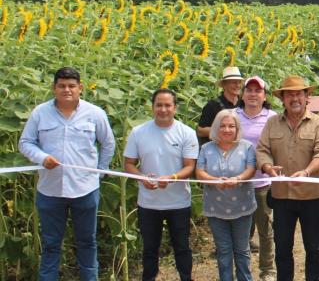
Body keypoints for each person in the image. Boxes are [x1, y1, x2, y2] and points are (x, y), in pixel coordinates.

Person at [19, 67, 116, 281]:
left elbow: (108, 143)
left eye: (72, 86)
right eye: (62, 86)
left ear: (80, 88)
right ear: (54, 88)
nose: (67, 90)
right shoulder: (40, 113)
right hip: (50, 191)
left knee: (87, 241)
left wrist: (99, 173)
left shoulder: (94, 113)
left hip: (86, 190)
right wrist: (42, 157)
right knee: (51, 243)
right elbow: (25, 143)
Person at [256, 75, 319, 281]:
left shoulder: (318, 124)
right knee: (282, 250)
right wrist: (267, 166)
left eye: (299, 93)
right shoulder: (272, 123)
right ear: (283, 98)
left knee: (314, 248)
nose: (294, 98)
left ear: (307, 96)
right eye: (290, 94)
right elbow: (262, 149)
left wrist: (307, 172)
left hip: (310, 198)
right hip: (281, 197)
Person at [123, 89, 199, 281]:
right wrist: (141, 178)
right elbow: (129, 164)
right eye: (159, 105)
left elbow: (190, 166)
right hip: (148, 203)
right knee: (150, 248)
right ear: (152, 107)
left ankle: (186, 278)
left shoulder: (186, 133)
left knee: (181, 247)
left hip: (178, 202)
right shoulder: (138, 132)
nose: (163, 109)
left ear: (175, 108)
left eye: (167, 105)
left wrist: (172, 177)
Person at [196, 110, 257, 281]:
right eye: (222, 126)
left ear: (237, 129)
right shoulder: (206, 148)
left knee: (242, 250)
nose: (227, 130)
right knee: (223, 250)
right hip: (215, 208)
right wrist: (214, 180)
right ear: (216, 128)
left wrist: (238, 179)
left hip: (242, 208)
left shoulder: (247, 147)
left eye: (231, 126)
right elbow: (199, 172)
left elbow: (251, 169)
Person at [236, 76, 279, 281]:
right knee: (240, 231)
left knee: (266, 229)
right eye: (249, 90)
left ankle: (267, 270)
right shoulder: (231, 116)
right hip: (238, 182)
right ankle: (243, 271)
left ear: (264, 96)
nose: (253, 94)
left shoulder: (273, 117)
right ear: (242, 94)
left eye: (258, 90)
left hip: (263, 182)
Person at [197, 66, 243, 146]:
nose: (237, 85)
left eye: (239, 82)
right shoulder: (212, 105)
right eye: (234, 82)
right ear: (224, 85)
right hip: (218, 148)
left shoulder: (244, 103)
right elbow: (200, 131)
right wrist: (223, 131)